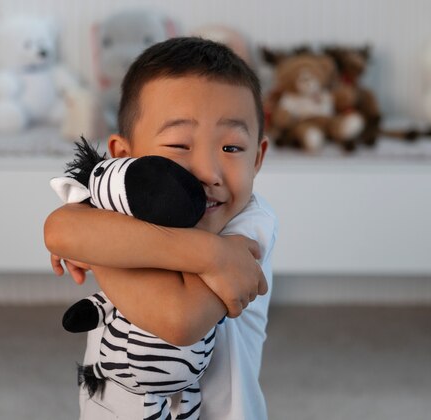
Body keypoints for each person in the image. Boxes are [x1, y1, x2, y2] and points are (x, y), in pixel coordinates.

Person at [44, 37, 278, 420]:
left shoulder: (249, 224)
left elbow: (180, 321)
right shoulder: (122, 202)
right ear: (124, 156)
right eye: (178, 144)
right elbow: (57, 229)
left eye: (232, 148)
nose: (207, 172)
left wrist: (96, 248)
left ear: (258, 157)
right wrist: (210, 255)